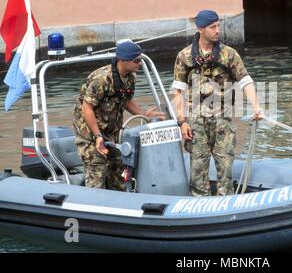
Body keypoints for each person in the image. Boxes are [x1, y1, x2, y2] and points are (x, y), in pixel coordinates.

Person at [172, 10, 263, 197]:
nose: (217, 30)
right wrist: (182, 121)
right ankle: (199, 207)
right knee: (197, 170)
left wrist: (256, 106)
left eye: (218, 26)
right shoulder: (185, 56)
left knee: (225, 169)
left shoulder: (229, 54)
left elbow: (246, 81)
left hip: (222, 119)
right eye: (213, 27)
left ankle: (226, 206)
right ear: (201, 29)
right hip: (196, 121)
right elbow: (178, 91)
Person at [73, 40, 165, 190]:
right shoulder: (101, 79)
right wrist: (97, 136)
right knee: (97, 170)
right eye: (136, 60)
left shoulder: (130, 77)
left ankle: (120, 202)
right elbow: (87, 107)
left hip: (111, 132)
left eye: (140, 59)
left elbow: (126, 100)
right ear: (122, 60)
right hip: (90, 134)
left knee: (120, 171)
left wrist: (144, 114)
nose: (139, 63)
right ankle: (93, 206)